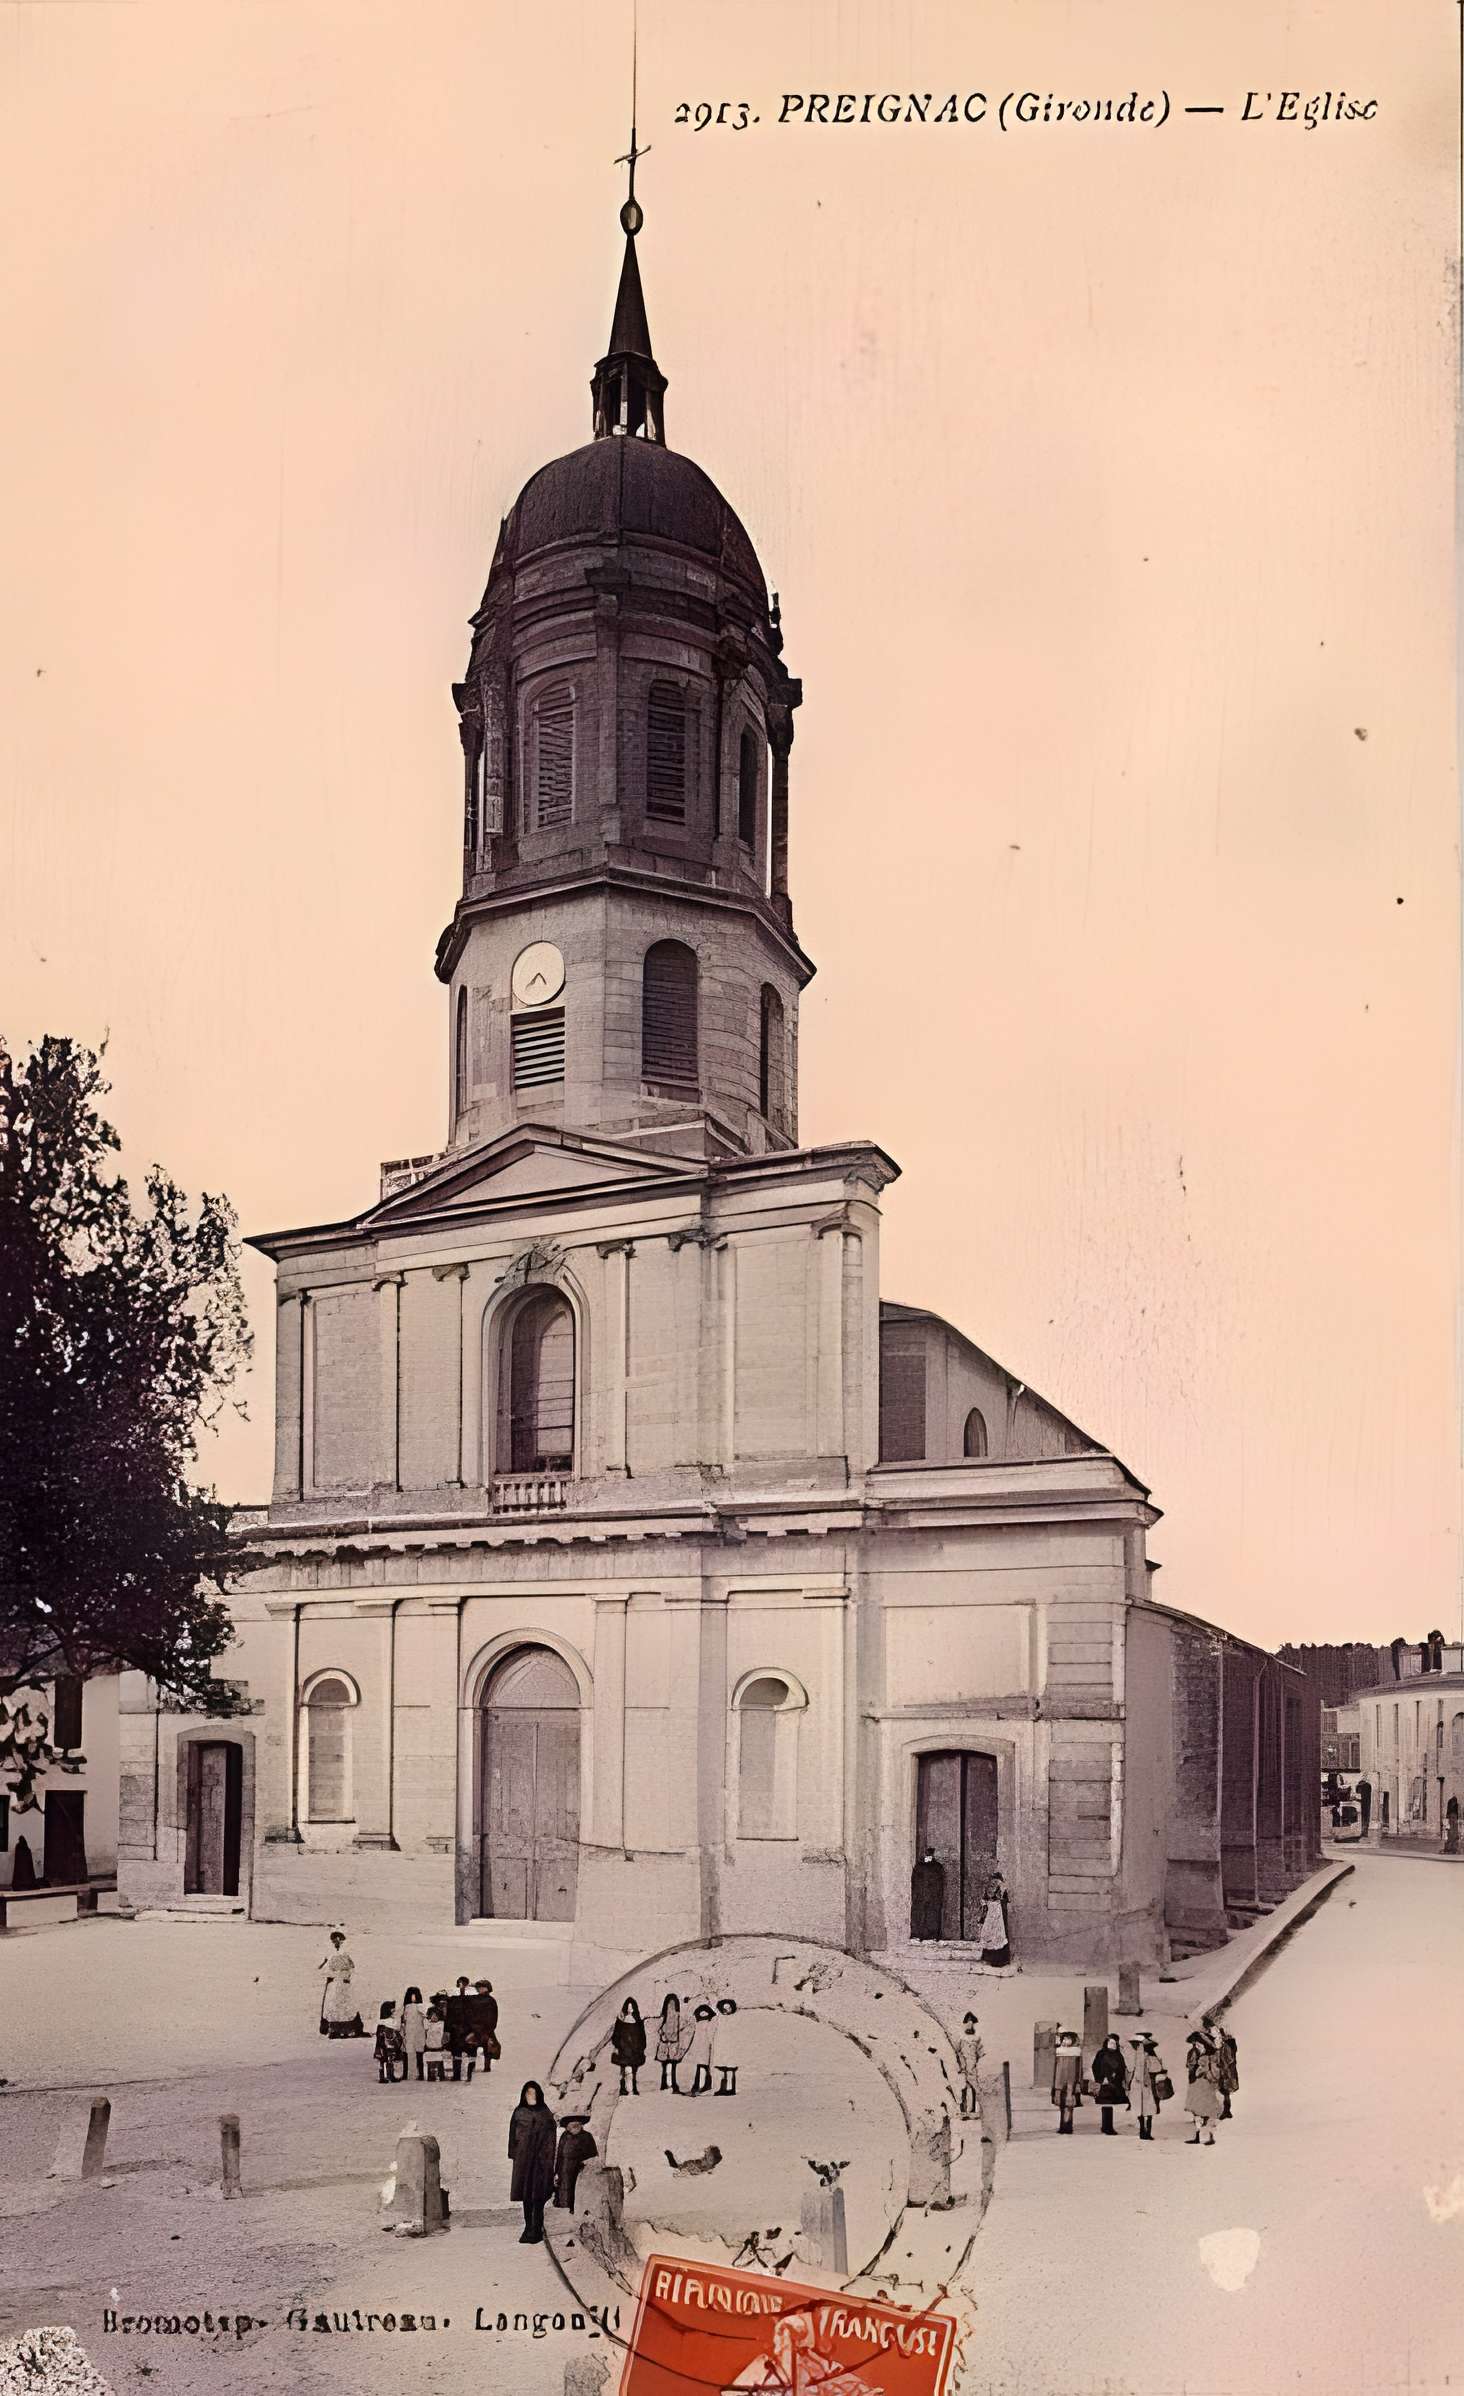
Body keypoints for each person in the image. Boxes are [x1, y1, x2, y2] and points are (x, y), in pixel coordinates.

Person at [508, 2082, 557, 2244]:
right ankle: (528, 2227)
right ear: (524, 2095)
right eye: (528, 2093)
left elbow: (551, 2138)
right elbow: (512, 2137)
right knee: (526, 2196)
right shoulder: (519, 2112)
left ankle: (537, 2229)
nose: (531, 2097)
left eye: (534, 2094)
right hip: (524, 2161)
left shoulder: (545, 2113)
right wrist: (515, 2155)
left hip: (541, 2162)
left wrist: (548, 2158)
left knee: (538, 2196)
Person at [318, 1930, 365, 2039]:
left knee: (346, 2007)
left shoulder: (346, 1951)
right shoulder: (331, 1952)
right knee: (334, 2006)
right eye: (333, 1941)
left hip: (343, 1982)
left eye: (337, 1940)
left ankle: (348, 2029)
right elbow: (323, 1967)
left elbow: (352, 1966)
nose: (335, 1942)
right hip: (335, 1983)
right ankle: (335, 2029)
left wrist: (346, 1975)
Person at [552, 2112, 598, 2212]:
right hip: (564, 2170)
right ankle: (565, 2210)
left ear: (580, 2124)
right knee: (564, 2192)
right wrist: (556, 2173)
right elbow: (560, 2155)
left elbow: (593, 2154)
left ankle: (575, 2210)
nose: (572, 2127)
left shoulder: (587, 2136)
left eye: (576, 2124)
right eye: (570, 2124)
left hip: (579, 2170)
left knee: (576, 2192)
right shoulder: (565, 2136)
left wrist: (584, 2164)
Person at [1184, 2029, 1223, 2145]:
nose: (1196, 2046)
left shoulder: (1207, 2057)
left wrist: (1199, 2070)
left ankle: (1208, 2136)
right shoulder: (1199, 2054)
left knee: (1206, 2110)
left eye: (1198, 2044)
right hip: (1199, 2085)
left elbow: (1200, 2071)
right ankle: (1201, 2136)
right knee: (1199, 2111)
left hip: (1204, 2085)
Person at [1128, 2031, 1168, 2142]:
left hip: (1147, 2085)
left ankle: (1146, 2131)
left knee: (1148, 2109)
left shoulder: (1149, 2056)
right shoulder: (1137, 2056)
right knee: (1141, 2109)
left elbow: (1156, 2069)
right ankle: (1143, 2131)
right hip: (1140, 2085)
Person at [1090, 2032, 1130, 2135]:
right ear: (1106, 2043)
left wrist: (1116, 2077)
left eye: (1114, 2043)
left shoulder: (1118, 2055)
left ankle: (1107, 2126)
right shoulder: (1101, 2054)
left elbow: (1122, 2068)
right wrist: (1101, 2078)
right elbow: (1095, 2066)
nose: (1113, 2045)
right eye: (1111, 2043)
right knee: (1106, 2104)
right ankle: (1107, 2127)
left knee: (1110, 2104)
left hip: (1115, 2084)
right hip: (1104, 2083)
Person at [1204, 2015, 1239, 2119]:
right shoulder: (1218, 2040)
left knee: (1225, 2091)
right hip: (1223, 2071)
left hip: (1227, 2072)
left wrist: (1222, 2064)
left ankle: (1226, 2111)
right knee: (1223, 2091)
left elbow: (1229, 2059)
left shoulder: (1225, 2044)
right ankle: (1224, 2111)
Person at [465, 1979, 500, 2078]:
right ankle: (472, 2066)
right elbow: (469, 2014)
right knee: (472, 2047)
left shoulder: (491, 2000)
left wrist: (489, 2028)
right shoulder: (474, 1999)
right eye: (479, 1987)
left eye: (482, 1987)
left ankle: (487, 2067)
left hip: (486, 2029)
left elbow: (494, 2016)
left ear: (487, 1988)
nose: (479, 1989)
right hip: (475, 2028)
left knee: (488, 2047)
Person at [611, 1997, 647, 2095]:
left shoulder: (638, 2022)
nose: (630, 2009)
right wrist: (618, 2046)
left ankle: (629, 2089)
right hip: (624, 2051)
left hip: (634, 2051)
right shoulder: (621, 2021)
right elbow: (616, 2035)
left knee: (632, 2071)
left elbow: (642, 2037)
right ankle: (628, 2089)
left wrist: (641, 2048)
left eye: (631, 2007)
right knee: (627, 2071)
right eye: (628, 2007)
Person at [1051, 2029, 1083, 2134]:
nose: (1065, 2041)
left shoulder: (1076, 2052)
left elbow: (1079, 2070)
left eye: (1068, 2039)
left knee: (1069, 2105)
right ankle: (1062, 2125)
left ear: (1072, 2040)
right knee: (1061, 2104)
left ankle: (1068, 2126)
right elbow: (1055, 2068)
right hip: (1059, 2081)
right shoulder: (1058, 2052)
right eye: (1064, 2039)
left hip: (1071, 2081)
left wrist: (1078, 2083)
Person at [656, 1993, 689, 2093]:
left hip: (674, 2044)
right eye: (669, 2004)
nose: (671, 2007)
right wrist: (661, 2034)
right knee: (665, 2065)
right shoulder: (663, 2017)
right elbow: (658, 2028)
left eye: (673, 2004)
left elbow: (683, 2026)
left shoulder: (679, 2017)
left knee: (672, 2065)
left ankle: (671, 2084)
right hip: (664, 2044)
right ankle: (665, 2084)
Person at [910, 1848, 945, 1941]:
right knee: (921, 1913)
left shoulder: (937, 1867)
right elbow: (915, 1881)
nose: (928, 1855)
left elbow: (940, 1882)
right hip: (922, 1895)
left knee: (932, 1914)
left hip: (932, 1895)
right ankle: (919, 1934)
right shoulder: (919, 1866)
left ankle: (932, 1934)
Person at [979, 1872, 1012, 1968]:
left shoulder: (988, 1885)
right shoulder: (1002, 1885)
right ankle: (999, 1960)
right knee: (999, 1934)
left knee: (990, 1934)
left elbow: (984, 1899)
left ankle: (988, 1958)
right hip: (999, 1910)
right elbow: (1007, 1899)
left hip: (990, 1910)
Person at [444, 1977, 473, 2081]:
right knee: (457, 2053)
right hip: (456, 2031)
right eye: (460, 1984)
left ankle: (467, 2075)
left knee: (468, 2053)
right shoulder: (452, 2000)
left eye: (463, 1984)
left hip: (465, 2030)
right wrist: (447, 2030)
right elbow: (448, 2017)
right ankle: (458, 2075)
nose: (461, 1986)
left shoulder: (470, 2000)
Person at [955, 2013, 983, 2118]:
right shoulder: (961, 2039)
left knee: (975, 2087)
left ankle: (975, 2110)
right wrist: (960, 2065)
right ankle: (966, 2110)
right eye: (968, 2022)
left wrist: (977, 2064)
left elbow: (980, 2053)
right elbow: (957, 2052)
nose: (970, 2025)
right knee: (964, 2087)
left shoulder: (977, 2039)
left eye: (972, 2023)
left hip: (973, 2067)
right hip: (963, 2067)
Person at [687, 2002, 717, 2096]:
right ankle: (698, 2086)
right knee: (700, 2066)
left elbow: (711, 2035)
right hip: (699, 2047)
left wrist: (711, 2044)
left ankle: (702, 2086)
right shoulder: (698, 2023)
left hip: (706, 2047)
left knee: (703, 2067)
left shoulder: (710, 2023)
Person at [373, 2002, 407, 2084]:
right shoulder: (389, 2022)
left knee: (383, 2061)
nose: (394, 2013)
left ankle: (383, 2076)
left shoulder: (381, 2023)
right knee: (389, 2060)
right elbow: (395, 2031)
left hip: (382, 2045)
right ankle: (389, 2076)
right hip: (389, 2045)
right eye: (392, 2011)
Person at [714, 1997, 741, 2095]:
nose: (726, 2010)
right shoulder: (719, 2019)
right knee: (722, 2068)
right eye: (724, 2009)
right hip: (722, 2045)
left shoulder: (734, 2019)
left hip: (731, 2046)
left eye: (728, 2008)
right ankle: (722, 2088)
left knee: (730, 2068)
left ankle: (730, 2088)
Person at [400, 1987, 427, 2081]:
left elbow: (425, 2017)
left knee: (419, 2053)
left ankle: (421, 2074)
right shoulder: (406, 2007)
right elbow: (403, 2020)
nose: (413, 1998)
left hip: (419, 2032)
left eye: (414, 1996)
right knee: (406, 2053)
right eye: (412, 1996)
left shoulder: (421, 2006)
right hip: (408, 2032)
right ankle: (405, 2074)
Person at [424, 1999, 448, 2082]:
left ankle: (441, 2075)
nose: (434, 2017)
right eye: (432, 2015)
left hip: (438, 2045)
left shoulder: (441, 2024)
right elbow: (425, 2023)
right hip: (430, 2046)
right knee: (430, 2062)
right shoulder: (428, 2024)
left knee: (439, 2061)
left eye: (436, 2015)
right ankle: (431, 2076)